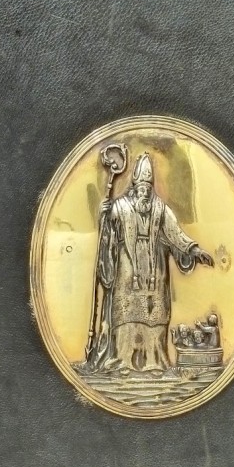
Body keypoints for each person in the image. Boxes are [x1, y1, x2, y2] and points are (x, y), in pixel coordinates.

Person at [86, 152, 213, 373]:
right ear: (134, 189)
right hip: (127, 267)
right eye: (141, 190)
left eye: (147, 190)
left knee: (155, 312)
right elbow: (108, 229)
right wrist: (104, 214)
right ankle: (123, 360)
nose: (144, 194)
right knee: (126, 310)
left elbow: (175, 234)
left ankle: (155, 361)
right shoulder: (121, 206)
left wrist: (194, 250)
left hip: (155, 268)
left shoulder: (160, 209)